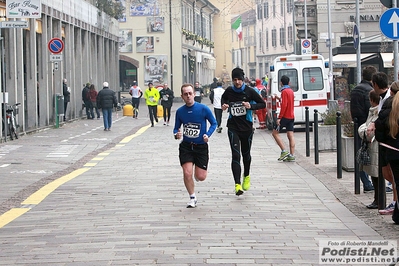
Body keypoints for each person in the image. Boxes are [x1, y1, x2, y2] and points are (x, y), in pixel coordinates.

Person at [221, 67, 266, 196]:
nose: (237, 82)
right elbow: (223, 100)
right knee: (235, 155)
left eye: (239, 79)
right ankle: (237, 185)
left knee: (246, 155)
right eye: (235, 80)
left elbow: (262, 104)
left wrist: (251, 106)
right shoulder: (229, 91)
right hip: (233, 127)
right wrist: (224, 105)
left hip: (247, 128)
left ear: (243, 79)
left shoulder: (250, 91)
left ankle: (246, 175)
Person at [173, 83, 217, 208]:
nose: (188, 96)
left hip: (201, 146)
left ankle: (197, 176)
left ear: (194, 94)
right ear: (182, 96)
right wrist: (177, 134)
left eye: (190, 93)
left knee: (201, 176)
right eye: (185, 94)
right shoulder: (180, 112)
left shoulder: (203, 109)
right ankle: (192, 197)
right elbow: (176, 128)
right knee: (187, 173)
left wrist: (207, 135)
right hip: (187, 146)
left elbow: (214, 123)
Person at [350, 65, 377, 193]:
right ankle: (368, 183)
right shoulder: (370, 91)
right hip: (366, 126)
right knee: (369, 155)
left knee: (361, 154)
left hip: (357, 124)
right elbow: (370, 109)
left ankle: (365, 182)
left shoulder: (355, 89)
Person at [374, 77, 398, 216]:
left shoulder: (390, 103)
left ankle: (395, 206)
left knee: (394, 178)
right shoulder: (388, 102)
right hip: (390, 145)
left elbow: (381, 124)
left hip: (391, 147)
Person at [358, 90, 380, 209]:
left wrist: (362, 131)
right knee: (374, 175)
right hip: (372, 147)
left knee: (376, 175)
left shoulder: (376, 112)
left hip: (374, 146)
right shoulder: (372, 111)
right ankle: (377, 199)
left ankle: (378, 200)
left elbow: (369, 132)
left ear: (371, 100)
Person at [272, 75, 296, 162]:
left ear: (281, 83)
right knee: (290, 135)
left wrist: (279, 118)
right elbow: (288, 102)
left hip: (285, 116)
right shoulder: (291, 91)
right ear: (289, 82)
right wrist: (279, 98)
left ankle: (284, 150)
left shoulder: (284, 92)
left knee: (275, 133)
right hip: (291, 116)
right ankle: (292, 155)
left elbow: (284, 105)